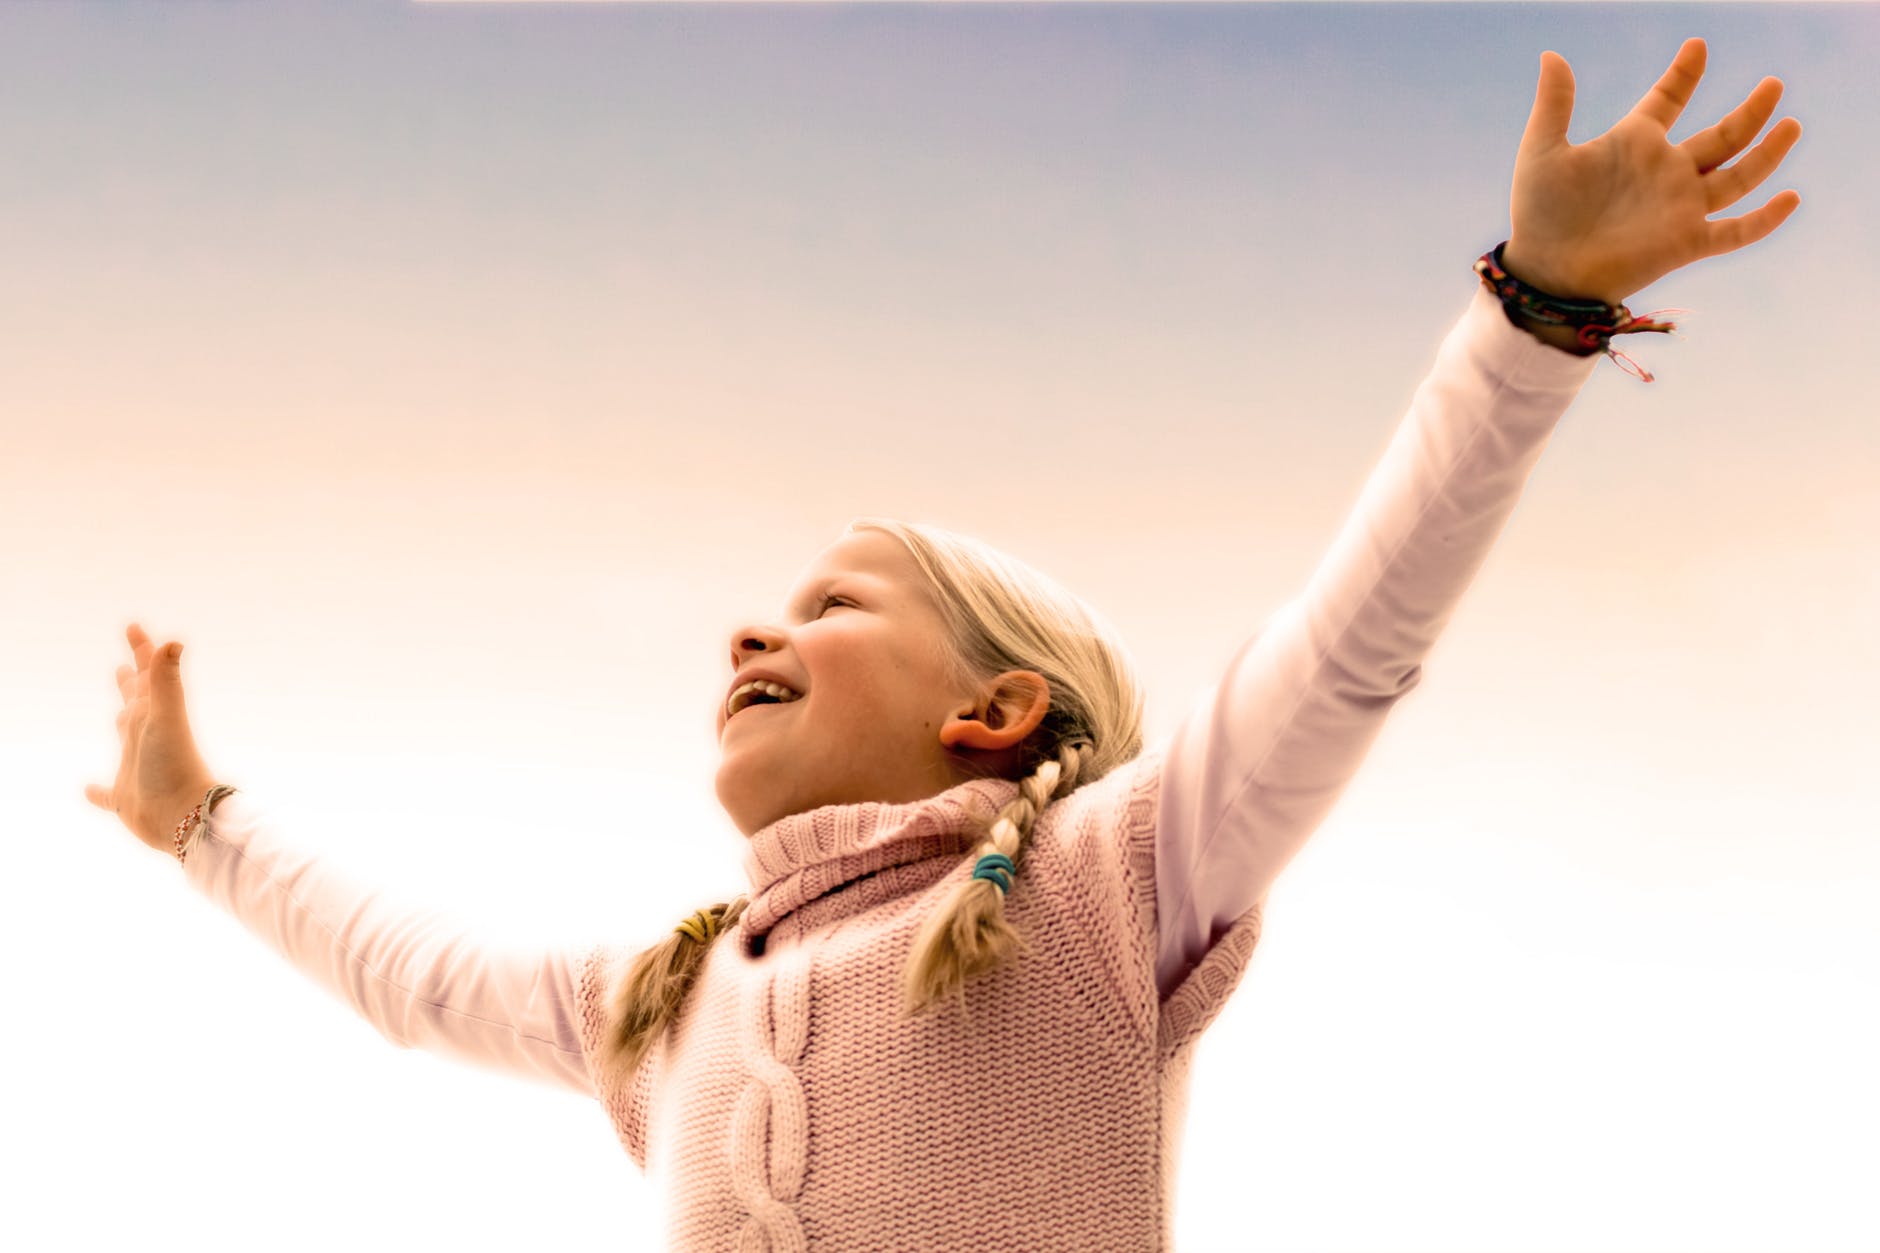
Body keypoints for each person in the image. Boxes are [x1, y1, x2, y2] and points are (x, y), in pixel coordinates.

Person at [86, 39, 1800, 1252]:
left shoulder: (1110, 878)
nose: (757, 622)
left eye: (835, 603)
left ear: (998, 705)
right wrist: (199, 827)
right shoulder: (668, 1002)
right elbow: (415, 972)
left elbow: (1351, 643)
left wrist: (1533, 320)